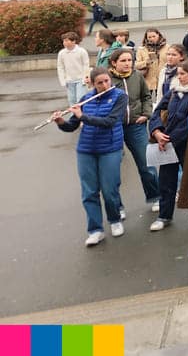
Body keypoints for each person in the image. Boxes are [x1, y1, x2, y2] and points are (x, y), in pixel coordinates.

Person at [54, 67, 127, 246]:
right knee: (89, 191)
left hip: (110, 148)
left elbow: (110, 122)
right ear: (92, 84)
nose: (104, 85)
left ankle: (115, 220)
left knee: (109, 189)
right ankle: (95, 230)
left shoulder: (119, 96)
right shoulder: (86, 98)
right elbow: (72, 125)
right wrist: (61, 122)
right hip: (86, 150)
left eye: (106, 81)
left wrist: (83, 116)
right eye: (99, 83)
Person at [148, 59, 188, 231]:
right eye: (178, 74)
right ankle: (164, 216)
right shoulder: (173, 91)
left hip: (186, 144)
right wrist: (157, 131)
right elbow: (156, 111)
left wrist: (168, 139)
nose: (179, 77)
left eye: (183, 74)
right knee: (166, 181)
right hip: (167, 142)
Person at [107, 48, 159, 214]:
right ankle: (117, 207)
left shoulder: (137, 76)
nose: (128, 64)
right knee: (112, 169)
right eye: (123, 61)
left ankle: (155, 197)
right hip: (113, 128)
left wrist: (146, 114)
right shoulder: (106, 79)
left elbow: (146, 97)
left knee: (146, 164)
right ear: (114, 63)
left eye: (130, 60)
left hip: (136, 125)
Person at [57, 31, 90, 107]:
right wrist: (63, 80)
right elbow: (60, 67)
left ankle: (82, 116)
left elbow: (86, 65)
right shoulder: (62, 53)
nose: (64, 43)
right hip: (69, 80)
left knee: (80, 100)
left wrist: (85, 78)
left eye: (66, 41)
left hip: (80, 80)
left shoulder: (81, 51)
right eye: (63, 41)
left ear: (74, 41)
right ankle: (74, 117)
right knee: (72, 100)